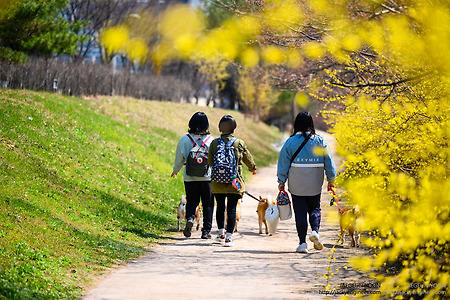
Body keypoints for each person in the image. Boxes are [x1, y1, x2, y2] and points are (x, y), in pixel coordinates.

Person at [277, 112, 337, 253]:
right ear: (311, 123)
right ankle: (315, 231)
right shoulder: (320, 141)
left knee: (300, 212)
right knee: (315, 208)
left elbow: (283, 163)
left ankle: (302, 243)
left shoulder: (290, 142)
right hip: (315, 183)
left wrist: (281, 181)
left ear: (296, 124)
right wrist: (331, 179)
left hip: (297, 183)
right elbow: (329, 161)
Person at [208, 115, 256, 247]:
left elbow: (210, 162)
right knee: (232, 208)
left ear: (220, 128)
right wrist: (253, 168)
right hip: (234, 182)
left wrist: (220, 172)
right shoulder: (239, 143)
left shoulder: (214, 143)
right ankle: (229, 237)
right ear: (234, 128)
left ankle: (221, 233)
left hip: (217, 182)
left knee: (220, 207)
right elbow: (248, 159)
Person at [171, 112, 214, 239]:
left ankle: (190, 218)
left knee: (191, 202)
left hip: (190, 177)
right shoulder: (211, 140)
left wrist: (175, 171)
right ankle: (206, 231)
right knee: (208, 203)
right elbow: (215, 160)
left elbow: (179, 159)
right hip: (207, 177)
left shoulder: (185, 139)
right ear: (206, 125)